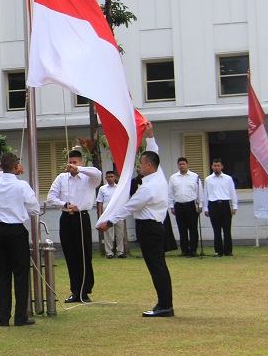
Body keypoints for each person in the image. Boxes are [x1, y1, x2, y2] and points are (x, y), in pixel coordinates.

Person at [97, 122, 173, 317]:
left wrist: (109, 222)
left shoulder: (148, 187)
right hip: (154, 227)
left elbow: (129, 208)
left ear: (149, 166)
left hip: (150, 228)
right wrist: (150, 134)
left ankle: (165, 306)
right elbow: (153, 151)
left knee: (157, 268)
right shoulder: (158, 175)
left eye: (141, 163)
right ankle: (163, 304)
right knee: (158, 267)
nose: (139, 166)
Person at [0, 152, 41, 327]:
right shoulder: (22, 185)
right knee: (21, 274)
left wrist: (9, 171)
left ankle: (3, 317)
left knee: (2, 275)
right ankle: (20, 317)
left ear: (1, 167)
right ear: (17, 167)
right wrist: (15, 174)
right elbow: (34, 208)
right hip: (16, 230)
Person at [46, 149, 102, 303]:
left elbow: (98, 174)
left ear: (81, 163)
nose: (71, 165)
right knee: (70, 255)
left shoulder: (88, 177)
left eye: (75, 162)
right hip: (66, 217)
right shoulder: (62, 178)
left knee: (84, 255)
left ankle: (85, 291)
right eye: (70, 162)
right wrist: (65, 204)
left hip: (81, 218)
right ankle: (75, 291)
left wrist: (79, 169)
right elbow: (51, 197)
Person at [168, 156, 203, 257]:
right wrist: (171, 206)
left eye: (183, 164)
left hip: (191, 205)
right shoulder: (173, 177)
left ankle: (193, 250)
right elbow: (170, 193)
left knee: (193, 228)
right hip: (179, 205)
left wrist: (200, 204)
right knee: (182, 229)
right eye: (180, 164)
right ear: (178, 165)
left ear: (187, 165)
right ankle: (184, 250)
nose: (182, 166)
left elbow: (200, 191)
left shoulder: (195, 177)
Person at [204, 158, 238, 256]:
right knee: (216, 229)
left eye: (218, 165)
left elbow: (232, 192)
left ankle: (228, 250)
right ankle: (218, 250)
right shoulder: (208, 179)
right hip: (213, 204)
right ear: (212, 167)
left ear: (222, 166)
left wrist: (234, 205)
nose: (216, 167)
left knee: (227, 229)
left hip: (224, 204)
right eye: (214, 165)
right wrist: (206, 208)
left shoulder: (228, 178)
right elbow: (206, 194)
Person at [96, 170, 129, 258]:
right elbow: (100, 202)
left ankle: (120, 251)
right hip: (107, 213)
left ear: (115, 177)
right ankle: (109, 252)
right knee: (108, 233)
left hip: (118, 213)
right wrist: (100, 214)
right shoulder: (102, 189)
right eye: (108, 177)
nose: (110, 178)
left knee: (120, 233)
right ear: (106, 178)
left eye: (112, 176)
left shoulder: (119, 188)